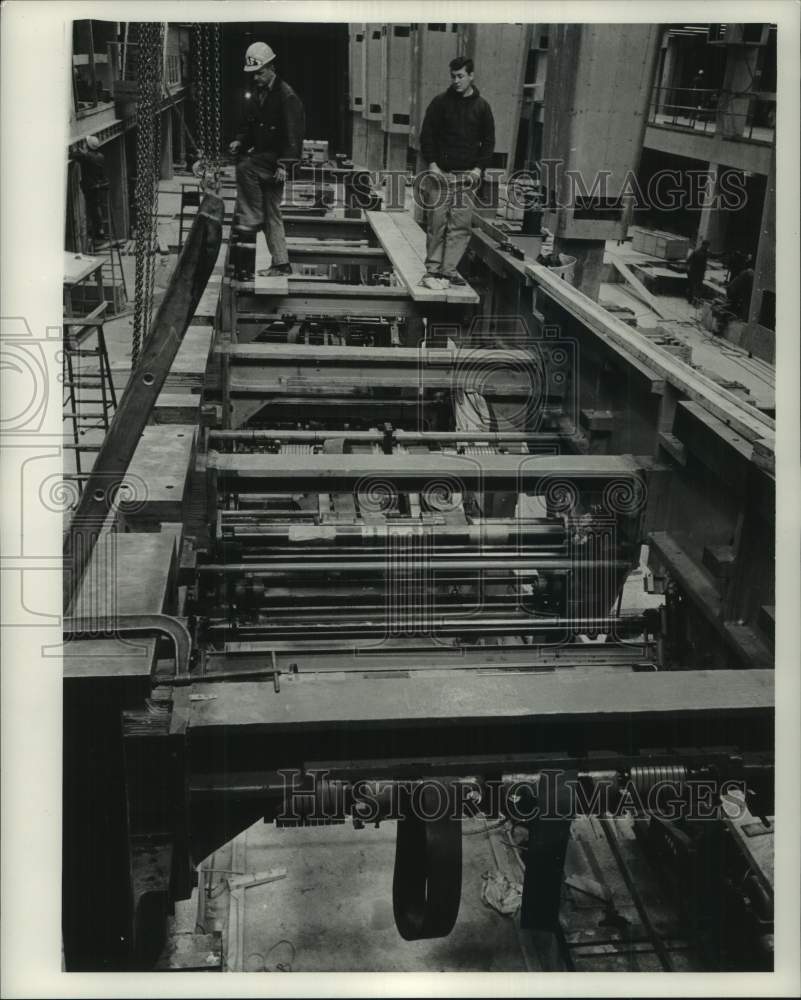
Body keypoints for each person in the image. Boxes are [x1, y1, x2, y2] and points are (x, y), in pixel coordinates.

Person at [418, 56, 495, 290]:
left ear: (471, 76)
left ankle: (449, 271)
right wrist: (432, 164)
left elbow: (489, 141)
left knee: (459, 226)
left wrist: (478, 169)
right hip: (440, 175)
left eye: (461, 76)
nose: (456, 81)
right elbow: (426, 135)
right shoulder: (439, 103)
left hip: (466, 178)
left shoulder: (482, 107)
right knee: (436, 223)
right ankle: (433, 269)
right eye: (453, 76)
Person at [229, 42, 305, 277]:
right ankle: (282, 264)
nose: (256, 78)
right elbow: (250, 125)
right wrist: (240, 140)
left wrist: (285, 164)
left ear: (272, 67)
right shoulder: (258, 94)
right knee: (273, 212)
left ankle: (253, 216)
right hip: (267, 158)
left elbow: (294, 134)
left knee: (244, 168)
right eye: (254, 74)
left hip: (277, 160)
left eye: (260, 73)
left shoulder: (286, 96)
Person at [69, 135, 108, 243]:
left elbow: (72, 155)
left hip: (89, 188)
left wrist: (80, 151)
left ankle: (96, 232)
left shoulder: (86, 156)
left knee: (91, 210)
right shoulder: (100, 156)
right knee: (96, 208)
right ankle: (99, 230)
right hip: (97, 186)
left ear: (88, 146)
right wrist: (84, 152)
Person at [685, 239, 710, 304]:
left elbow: (688, 261)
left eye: (708, 246)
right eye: (707, 246)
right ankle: (691, 300)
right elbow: (688, 260)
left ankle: (694, 300)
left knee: (696, 287)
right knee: (693, 287)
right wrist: (688, 269)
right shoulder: (697, 252)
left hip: (698, 273)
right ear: (703, 245)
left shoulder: (703, 252)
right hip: (695, 273)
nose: (707, 248)